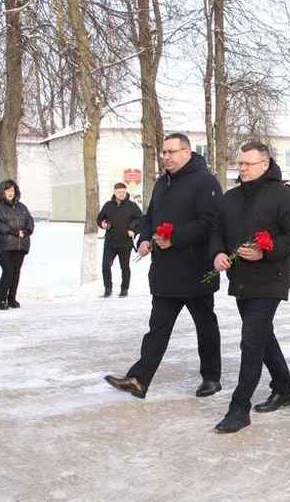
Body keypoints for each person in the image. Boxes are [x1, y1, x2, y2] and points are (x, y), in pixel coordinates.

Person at [104, 133, 223, 399]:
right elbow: (150, 217)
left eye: (172, 151)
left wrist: (175, 239)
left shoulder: (205, 182)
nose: (166, 156)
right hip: (165, 270)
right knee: (157, 327)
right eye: (164, 152)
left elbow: (210, 222)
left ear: (187, 153)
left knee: (205, 326)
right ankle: (139, 379)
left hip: (196, 270)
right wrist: (144, 239)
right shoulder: (161, 183)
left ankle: (211, 377)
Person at [211, 141, 290, 433]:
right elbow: (216, 230)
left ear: (265, 165)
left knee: (251, 340)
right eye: (239, 164)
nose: (241, 168)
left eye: (247, 164)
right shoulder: (231, 197)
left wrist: (266, 251)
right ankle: (283, 387)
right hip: (240, 279)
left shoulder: (282, 195)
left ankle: (239, 408)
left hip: (270, 278)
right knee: (262, 335)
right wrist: (216, 253)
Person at [0, 180, 35, 310]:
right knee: (8, 270)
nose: (10, 193)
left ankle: (12, 298)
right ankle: (1, 300)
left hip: (20, 244)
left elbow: (30, 220)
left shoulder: (21, 206)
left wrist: (26, 231)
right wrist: (12, 231)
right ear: (2, 192)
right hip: (3, 245)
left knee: (16, 272)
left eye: (12, 190)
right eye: (7, 190)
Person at [97, 182, 143, 297]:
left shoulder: (132, 206)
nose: (122, 194)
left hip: (125, 243)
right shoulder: (108, 205)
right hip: (110, 242)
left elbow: (141, 220)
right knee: (105, 265)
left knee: (125, 267)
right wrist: (102, 223)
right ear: (114, 192)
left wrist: (133, 230)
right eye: (119, 192)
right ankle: (108, 288)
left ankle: (124, 289)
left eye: (123, 192)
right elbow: (100, 218)